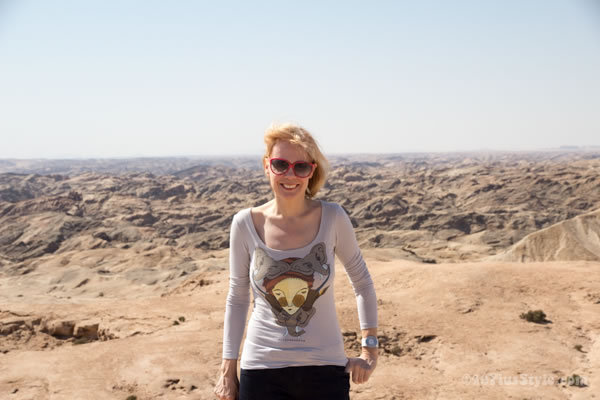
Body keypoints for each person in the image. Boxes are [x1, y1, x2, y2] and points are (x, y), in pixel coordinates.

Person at [214, 123, 378, 400]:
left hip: (326, 369)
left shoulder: (333, 217)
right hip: (262, 368)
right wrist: (228, 369)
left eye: (300, 167)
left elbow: (362, 283)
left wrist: (369, 350)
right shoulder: (244, 223)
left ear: (311, 171)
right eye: (280, 164)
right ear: (267, 166)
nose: (290, 175)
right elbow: (237, 298)